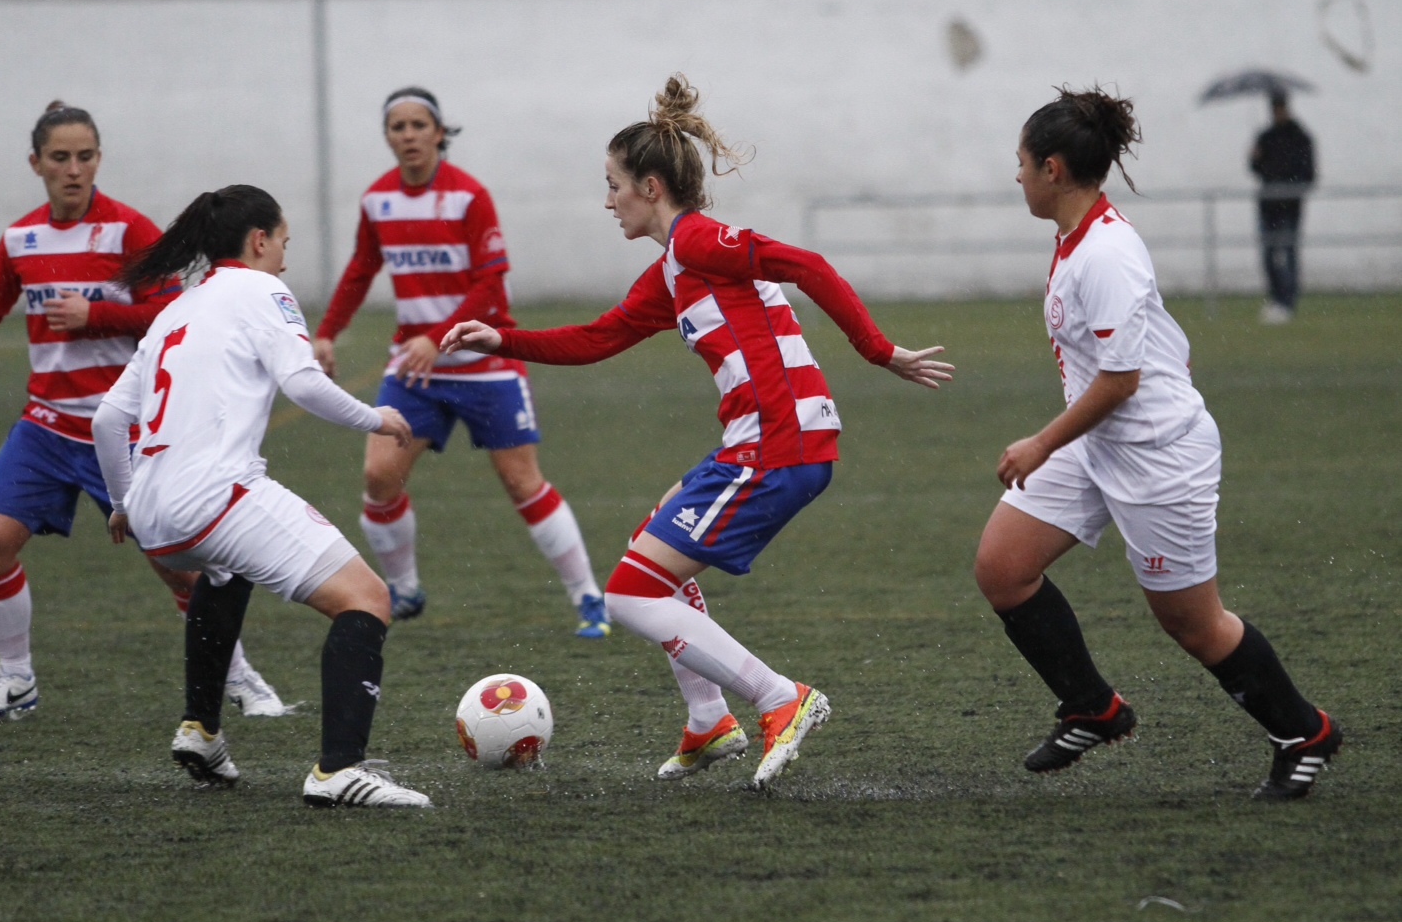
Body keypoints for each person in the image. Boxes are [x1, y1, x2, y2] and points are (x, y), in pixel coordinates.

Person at [443, 75, 953, 790]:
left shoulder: (701, 239)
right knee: (652, 550)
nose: (606, 199)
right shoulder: (673, 269)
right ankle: (707, 720)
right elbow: (597, 339)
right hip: (760, 444)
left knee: (629, 592)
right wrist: (499, 339)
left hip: (779, 447)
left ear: (651, 187)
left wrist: (876, 350)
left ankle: (781, 698)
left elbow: (808, 265)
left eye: (614, 184)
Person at [974, 85, 1341, 800]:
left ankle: (1305, 732)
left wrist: (1041, 444)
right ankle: (1093, 708)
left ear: (1052, 168)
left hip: (1155, 457)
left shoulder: (1104, 252)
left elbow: (1120, 382)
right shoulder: (1082, 238)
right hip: (1099, 442)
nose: (1014, 174)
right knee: (1002, 568)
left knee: (1194, 626)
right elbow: (1151, 347)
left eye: (1020, 161)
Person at [0, 102, 285, 721]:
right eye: (61, 158)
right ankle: (16, 678)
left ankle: (240, 676)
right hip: (44, 426)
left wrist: (98, 315)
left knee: (178, 570)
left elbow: (176, 311)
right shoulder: (21, 239)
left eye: (86, 157)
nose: (74, 170)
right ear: (36, 163)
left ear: (99, 159)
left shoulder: (128, 232)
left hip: (124, 430)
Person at [93, 184, 430, 808]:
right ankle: (338, 771)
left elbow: (107, 423)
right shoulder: (262, 289)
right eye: (282, 244)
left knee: (226, 570)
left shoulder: (175, 308)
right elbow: (303, 383)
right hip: (216, 496)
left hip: (153, 510)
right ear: (258, 241)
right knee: (367, 599)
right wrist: (376, 418)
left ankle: (200, 729)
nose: (284, 258)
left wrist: (122, 505)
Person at [313, 87, 609, 637]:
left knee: (522, 483)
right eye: (397, 127)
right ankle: (403, 590)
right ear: (387, 138)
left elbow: (490, 281)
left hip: (484, 365)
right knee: (379, 476)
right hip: (417, 370)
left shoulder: (469, 197)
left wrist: (437, 335)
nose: (408, 136)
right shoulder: (378, 200)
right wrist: (327, 333)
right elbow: (360, 270)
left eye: (418, 125)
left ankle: (588, 597)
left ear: (439, 132)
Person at [1250, 91, 1316, 325]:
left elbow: (1308, 172)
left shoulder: (1299, 137)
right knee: (1269, 255)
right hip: (1268, 206)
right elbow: (1256, 168)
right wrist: (1255, 158)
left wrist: (1288, 186)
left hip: (1289, 206)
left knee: (1287, 253)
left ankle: (1287, 301)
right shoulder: (1266, 137)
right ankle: (1276, 298)